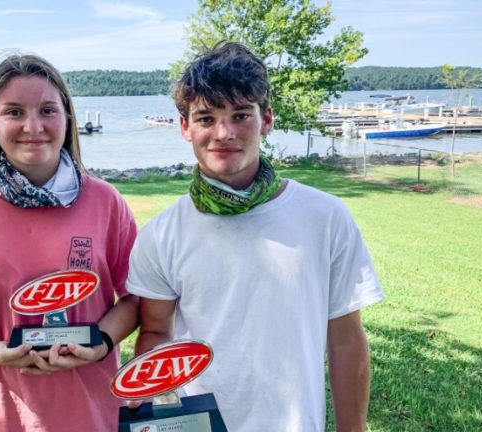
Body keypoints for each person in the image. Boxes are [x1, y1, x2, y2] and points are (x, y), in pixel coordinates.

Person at [126, 41, 384, 431]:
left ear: (266, 120)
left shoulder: (326, 217)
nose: (224, 132)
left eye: (240, 115)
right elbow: (157, 332)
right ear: (185, 127)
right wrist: (149, 401)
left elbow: (345, 339)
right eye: (206, 118)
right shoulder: (162, 234)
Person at [0, 53, 138, 431]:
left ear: (67, 119)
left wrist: (102, 342)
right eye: (14, 112)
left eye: (47, 110)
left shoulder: (106, 202)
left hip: (90, 413)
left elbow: (134, 297)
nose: (33, 126)